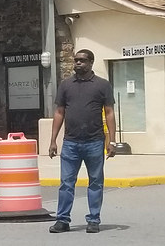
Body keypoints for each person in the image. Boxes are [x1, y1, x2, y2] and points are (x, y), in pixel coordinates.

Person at [48, 49, 116, 234]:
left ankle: (93, 220)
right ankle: (62, 220)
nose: (78, 63)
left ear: (91, 62)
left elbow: (109, 112)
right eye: (76, 60)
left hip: (95, 142)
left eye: (82, 60)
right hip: (70, 143)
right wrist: (53, 140)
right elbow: (59, 112)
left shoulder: (102, 85)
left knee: (95, 182)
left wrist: (112, 141)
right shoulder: (66, 85)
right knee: (66, 183)